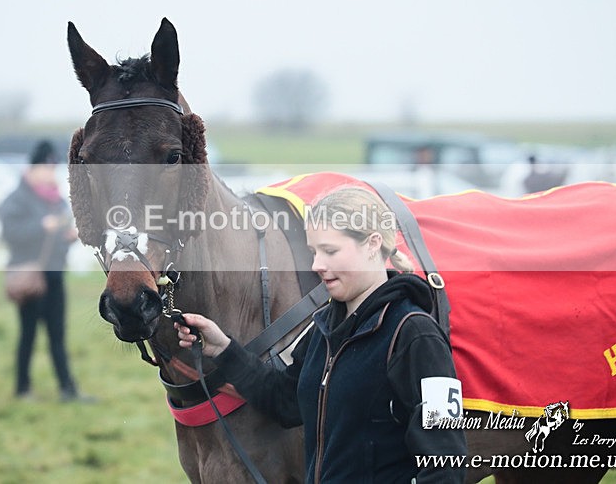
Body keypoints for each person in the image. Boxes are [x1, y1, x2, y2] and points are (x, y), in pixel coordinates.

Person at [176, 187, 467, 483]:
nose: (317, 265)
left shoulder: (416, 335)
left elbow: (447, 461)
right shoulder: (323, 329)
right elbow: (286, 401)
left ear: (372, 244)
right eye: (314, 252)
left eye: (330, 251)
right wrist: (224, 349)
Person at [0, 140, 90, 402]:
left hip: (54, 274)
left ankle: (67, 388)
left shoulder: (55, 198)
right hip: (30, 277)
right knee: (28, 334)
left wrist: (67, 236)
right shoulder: (17, 199)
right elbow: (10, 234)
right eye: (47, 168)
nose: (51, 174)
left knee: (57, 335)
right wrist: (42, 226)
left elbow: (58, 230)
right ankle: (22, 387)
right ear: (34, 167)